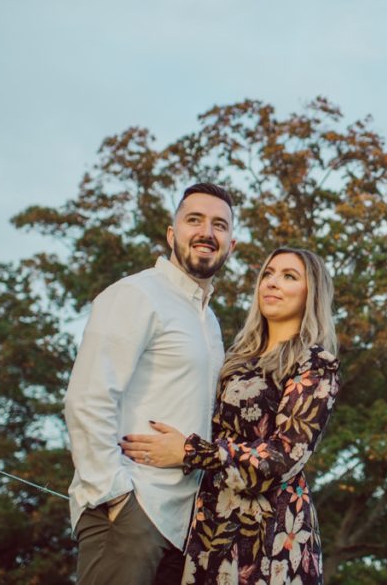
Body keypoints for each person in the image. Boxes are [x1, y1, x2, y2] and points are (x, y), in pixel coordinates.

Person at [120, 247, 340, 584]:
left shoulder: (315, 363)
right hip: (209, 527)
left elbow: (283, 457)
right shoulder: (235, 358)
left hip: (268, 539)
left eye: (289, 276)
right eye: (268, 274)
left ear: (311, 293)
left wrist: (190, 452)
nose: (273, 283)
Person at [64, 183, 237, 584]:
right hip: (132, 514)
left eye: (219, 225)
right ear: (171, 234)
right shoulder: (136, 294)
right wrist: (114, 495)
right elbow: (87, 399)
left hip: (186, 529)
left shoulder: (209, 322)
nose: (207, 232)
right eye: (194, 220)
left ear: (231, 245)